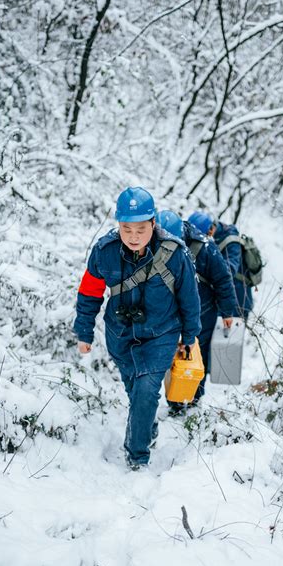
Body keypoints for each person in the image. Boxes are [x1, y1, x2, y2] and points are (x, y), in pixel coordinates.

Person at [74, 187, 201, 470]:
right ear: (118, 225)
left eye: (140, 230)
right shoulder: (104, 252)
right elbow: (90, 292)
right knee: (136, 392)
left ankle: (137, 457)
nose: (133, 236)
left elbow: (189, 297)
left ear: (153, 224)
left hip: (161, 334)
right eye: (126, 229)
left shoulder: (174, 254)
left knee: (146, 390)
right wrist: (84, 331)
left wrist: (190, 335)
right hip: (120, 335)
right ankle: (147, 428)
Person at [157, 210, 237, 405]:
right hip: (171, 310)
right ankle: (175, 398)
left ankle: (194, 398)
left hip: (204, 310)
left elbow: (223, 279)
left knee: (196, 353)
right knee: (173, 352)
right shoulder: (155, 242)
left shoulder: (206, 246)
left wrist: (228, 312)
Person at [188, 211, 253, 320]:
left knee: (230, 335)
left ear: (211, 229)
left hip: (238, 297)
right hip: (224, 295)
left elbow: (229, 271)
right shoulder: (213, 237)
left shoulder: (231, 242)